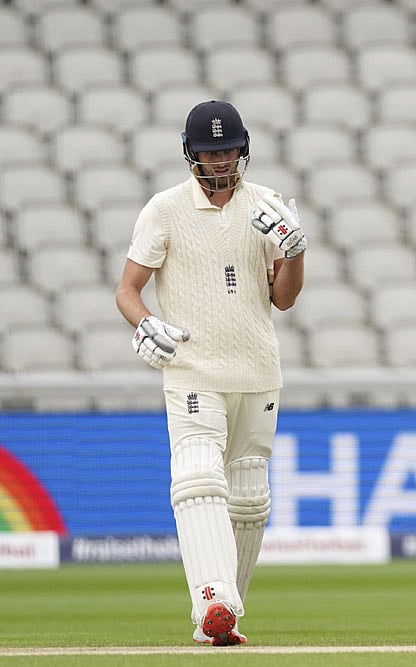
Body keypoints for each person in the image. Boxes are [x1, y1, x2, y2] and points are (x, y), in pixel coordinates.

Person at [115, 100, 306, 646]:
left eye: (227, 151)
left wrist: (295, 251)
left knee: (248, 497)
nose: (219, 162)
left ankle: (223, 622)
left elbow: (284, 300)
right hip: (192, 369)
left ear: (242, 150)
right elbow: (128, 290)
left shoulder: (267, 206)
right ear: (190, 154)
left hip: (257, 370)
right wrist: (147, 324)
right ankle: (214, 602)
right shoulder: (165, 209)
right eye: (208, 152)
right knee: (198, 477)